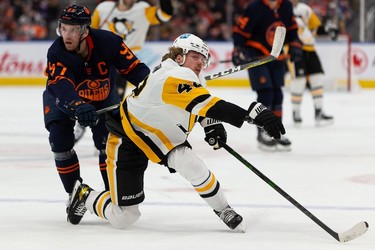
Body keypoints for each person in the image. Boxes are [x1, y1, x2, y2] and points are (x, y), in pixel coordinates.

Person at [66, 33, 286, 230]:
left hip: (164, 137)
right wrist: (252, 114)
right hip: (129, 138)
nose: (200, 62)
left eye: (203, 59)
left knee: (193, 166)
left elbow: (197, 103)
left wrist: (210, 125)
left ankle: (223, 209)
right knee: (125, 216)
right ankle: (84, 195)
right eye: (195, 56)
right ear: (179, 56)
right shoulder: (172, 76)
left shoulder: (183, 74)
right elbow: (207, 103)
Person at [42, 4, 150, 220]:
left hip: (104, 98)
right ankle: (75, 194)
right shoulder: (57, 52)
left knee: (107, 145)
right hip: (62, 100)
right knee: (60, 143)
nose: (67, 35)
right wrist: (76, 105)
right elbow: (62, 85)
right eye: (64, 28)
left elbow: (135, 70)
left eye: (73, 30)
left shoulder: (110, 43)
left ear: (85, 30)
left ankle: (111, 195)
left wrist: (153, 85)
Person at [72, 0, 174, 143]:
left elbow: (165, 15)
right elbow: (89, 31)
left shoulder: (143, 9)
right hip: (101, 57)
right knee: (89, 92)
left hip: (125, 59)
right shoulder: (104, 8)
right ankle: (82, 123)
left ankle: (107, 135)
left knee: (115, 99)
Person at [232, 0, 303, 152]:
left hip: (277, 56)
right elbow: (240, 32)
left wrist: (295, 44)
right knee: (266, 92)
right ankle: (263, 132)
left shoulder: (285, 6)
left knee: (277, 93)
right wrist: (238, 49)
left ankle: (276, 131)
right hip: (256, 56)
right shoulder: (255, 7)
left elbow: (291, 29)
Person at [289, 0, 334, 127]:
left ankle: (319, 110)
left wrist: (328, 30)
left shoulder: (305, 9)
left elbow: (316, 27)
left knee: (317, 78)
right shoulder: (281, 9)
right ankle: (296, 112)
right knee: (299, 81)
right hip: (294, 49)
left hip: (310, 48)